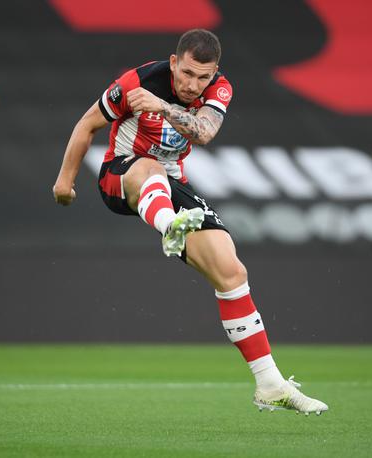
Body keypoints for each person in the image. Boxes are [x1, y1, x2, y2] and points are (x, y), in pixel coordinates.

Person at [53, 29, 328, 415]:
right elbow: (87, 125)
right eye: (186, 74)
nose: (192, 84)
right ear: (173, 62)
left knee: (230, 270)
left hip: (170, 183)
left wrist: (162, 108)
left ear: (214, 72)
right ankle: (170, 226)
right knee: (148, 167)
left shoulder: (219, 89)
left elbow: (206, 132)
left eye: (203, 77)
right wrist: (65, 181)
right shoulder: (137, 81)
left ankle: (269, 383)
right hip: (121, 175)